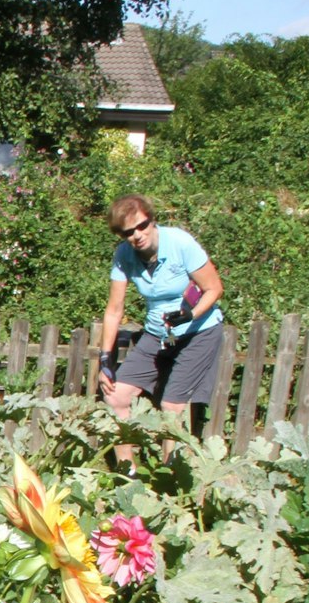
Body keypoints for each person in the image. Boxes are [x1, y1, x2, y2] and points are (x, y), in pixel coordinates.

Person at [97, 194, 226, 466]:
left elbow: (214, 289)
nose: (137, 235)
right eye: (128, 232)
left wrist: (190, 314)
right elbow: (114, 310)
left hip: (198, 332)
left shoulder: (180, 243)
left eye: (142, 226)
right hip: (158, 334)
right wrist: (105, 360)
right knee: (115, 395)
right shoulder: (124, 255)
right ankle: (127, 473)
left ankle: (169, 477)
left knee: (171, 407)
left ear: (152, 220)